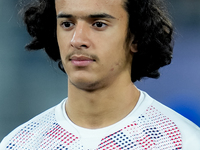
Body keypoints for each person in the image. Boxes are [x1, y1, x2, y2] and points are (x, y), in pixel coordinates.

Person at [1, 0, 200, 149]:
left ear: (136, 37)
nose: (77, 40)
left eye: (98, 24)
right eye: (67, 24)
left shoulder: (183, 142)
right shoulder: (19, 144)